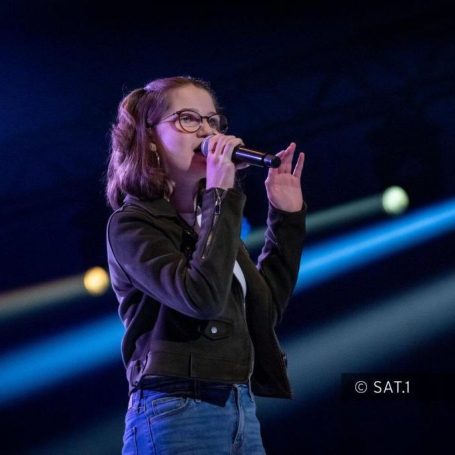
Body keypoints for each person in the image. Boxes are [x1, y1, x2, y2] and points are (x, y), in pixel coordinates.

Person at [105, 75, 306, 454]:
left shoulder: (209, 221)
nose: (207, 131)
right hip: (176, 407)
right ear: (150, 137)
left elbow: (263, 311)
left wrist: (286, 219)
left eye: (213, 120)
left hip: (239, 407)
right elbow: (201, 298)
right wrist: (220, 196)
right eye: (188, 118)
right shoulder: (132, 224)